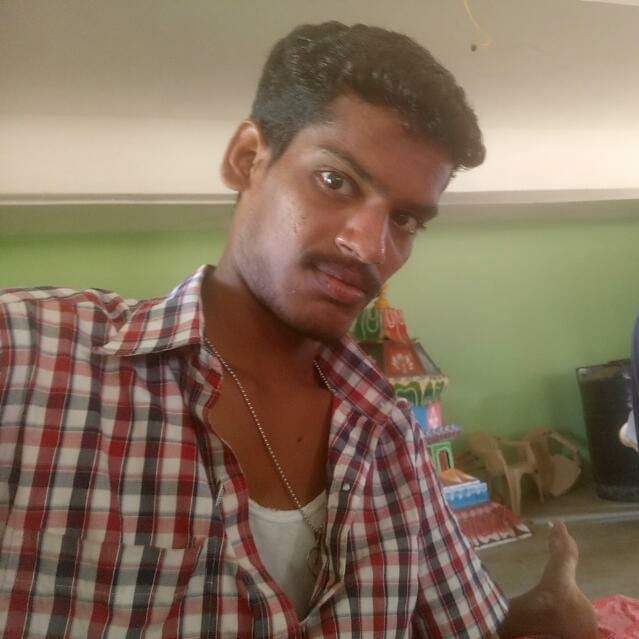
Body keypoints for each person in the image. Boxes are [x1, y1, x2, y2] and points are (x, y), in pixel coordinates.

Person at [0, 21, 597, 639]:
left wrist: (551, 623)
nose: (370, 247)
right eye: (336, 181)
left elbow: (470, 627)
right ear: (247, 160)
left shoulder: (388, 436)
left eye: (405, 219)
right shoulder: (29, 353)